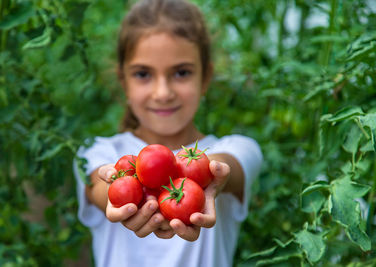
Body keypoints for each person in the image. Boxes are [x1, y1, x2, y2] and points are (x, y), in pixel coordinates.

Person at [73, 0, 263, 266]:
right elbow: (101, 186)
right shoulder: (97, 152)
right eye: (143, 74)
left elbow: (225, 166)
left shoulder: (240, 148)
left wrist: (209, 174)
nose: (163, 93)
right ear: (123, 82)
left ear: (206, 77)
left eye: (181, 72)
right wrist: (118, 187)